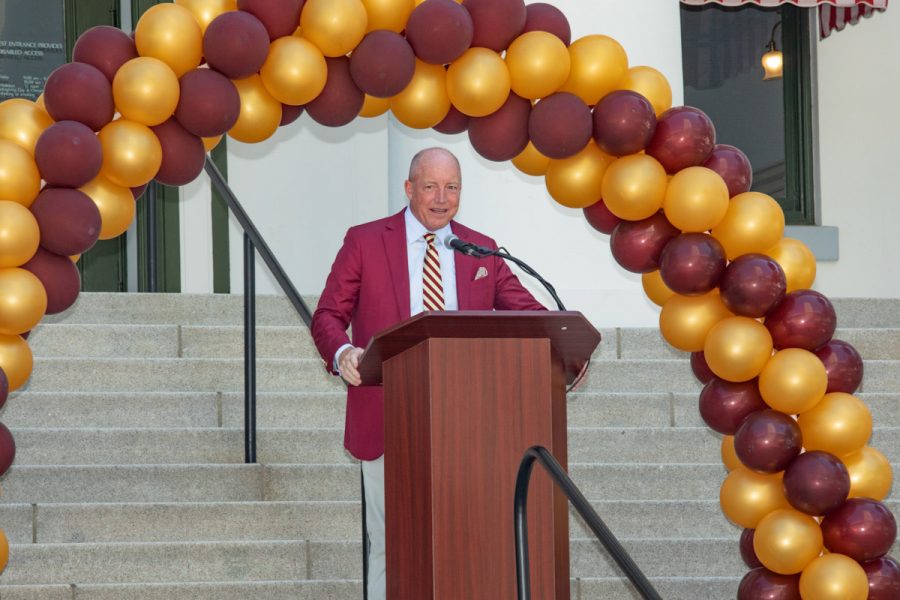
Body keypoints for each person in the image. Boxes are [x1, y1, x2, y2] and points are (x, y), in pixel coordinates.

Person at [311, 147, 546, 600]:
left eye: (452, 187)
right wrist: (342, 352)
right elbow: (327, 314)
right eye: (432, 186)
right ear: (409, 189)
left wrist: (562, 343)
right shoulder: (365, 240)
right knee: (390, 543)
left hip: (466, 418)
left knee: (463, 539)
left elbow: (528, 314)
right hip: (386, 412)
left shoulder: (481, 248)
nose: (442, 198)